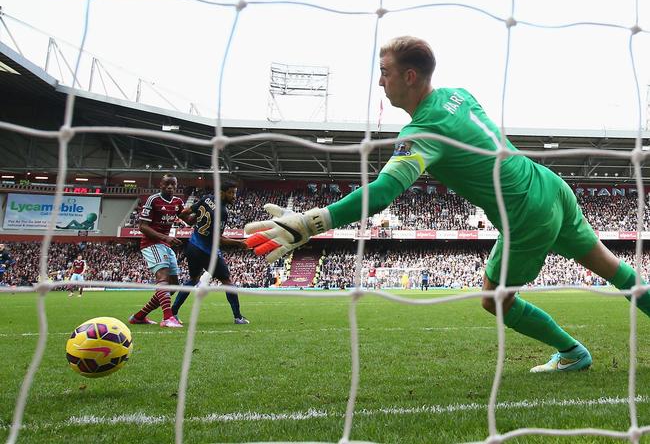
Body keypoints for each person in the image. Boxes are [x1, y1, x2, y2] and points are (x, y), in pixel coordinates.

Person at [244, 35, 650, 373]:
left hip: (526, 211)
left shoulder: (423, 132)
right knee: (612, 268)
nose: (380, 82)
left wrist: (312, 222)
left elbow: (384, 192)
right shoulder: (459, 94)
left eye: (384, 73)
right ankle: (574, 352)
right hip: (547, 184)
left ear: (409, 75)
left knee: (494, 300)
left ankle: (572, 353)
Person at [172, 180, 250, 324]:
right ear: (222, 192)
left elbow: (184, 214)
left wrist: (190, 222)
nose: (234, 196)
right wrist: (240, 244)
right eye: (231, 193)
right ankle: (238, 317)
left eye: (235, 193)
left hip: (192, 246)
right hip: (207, 251)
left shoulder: (207, 198)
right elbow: (218, 239)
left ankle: (173, 313)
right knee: (227, 282)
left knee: (193, 279)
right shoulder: (222, 212)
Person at [129, 174, 185, 328]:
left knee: (174, 285)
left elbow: (187, 217)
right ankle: (168, 318)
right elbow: (142, 226)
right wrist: (165, 238)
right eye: (167, 184)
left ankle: (139, 316)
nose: (170, 187)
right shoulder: (153, 199)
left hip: (165, 245)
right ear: (161, 184)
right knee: (163, 279)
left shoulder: (178, 202)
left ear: (176, 186)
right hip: (151, 243)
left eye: (173, 184)